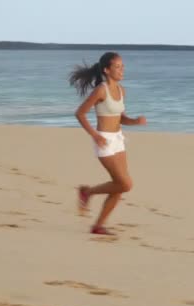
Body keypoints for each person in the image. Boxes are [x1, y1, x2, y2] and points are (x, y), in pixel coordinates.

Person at [69, 52, 146, 235]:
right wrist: (95, 135)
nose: (122, 69)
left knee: (119, 186)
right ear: (106, 70)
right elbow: (80, 113)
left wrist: (135, 121)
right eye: (118, 67)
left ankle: (98, 226)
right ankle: (88, 192)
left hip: (118, 140)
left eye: (122, 66)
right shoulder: (101, 90)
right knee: (125, 184)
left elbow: (120, 118)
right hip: (104, 140)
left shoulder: (121, 90)